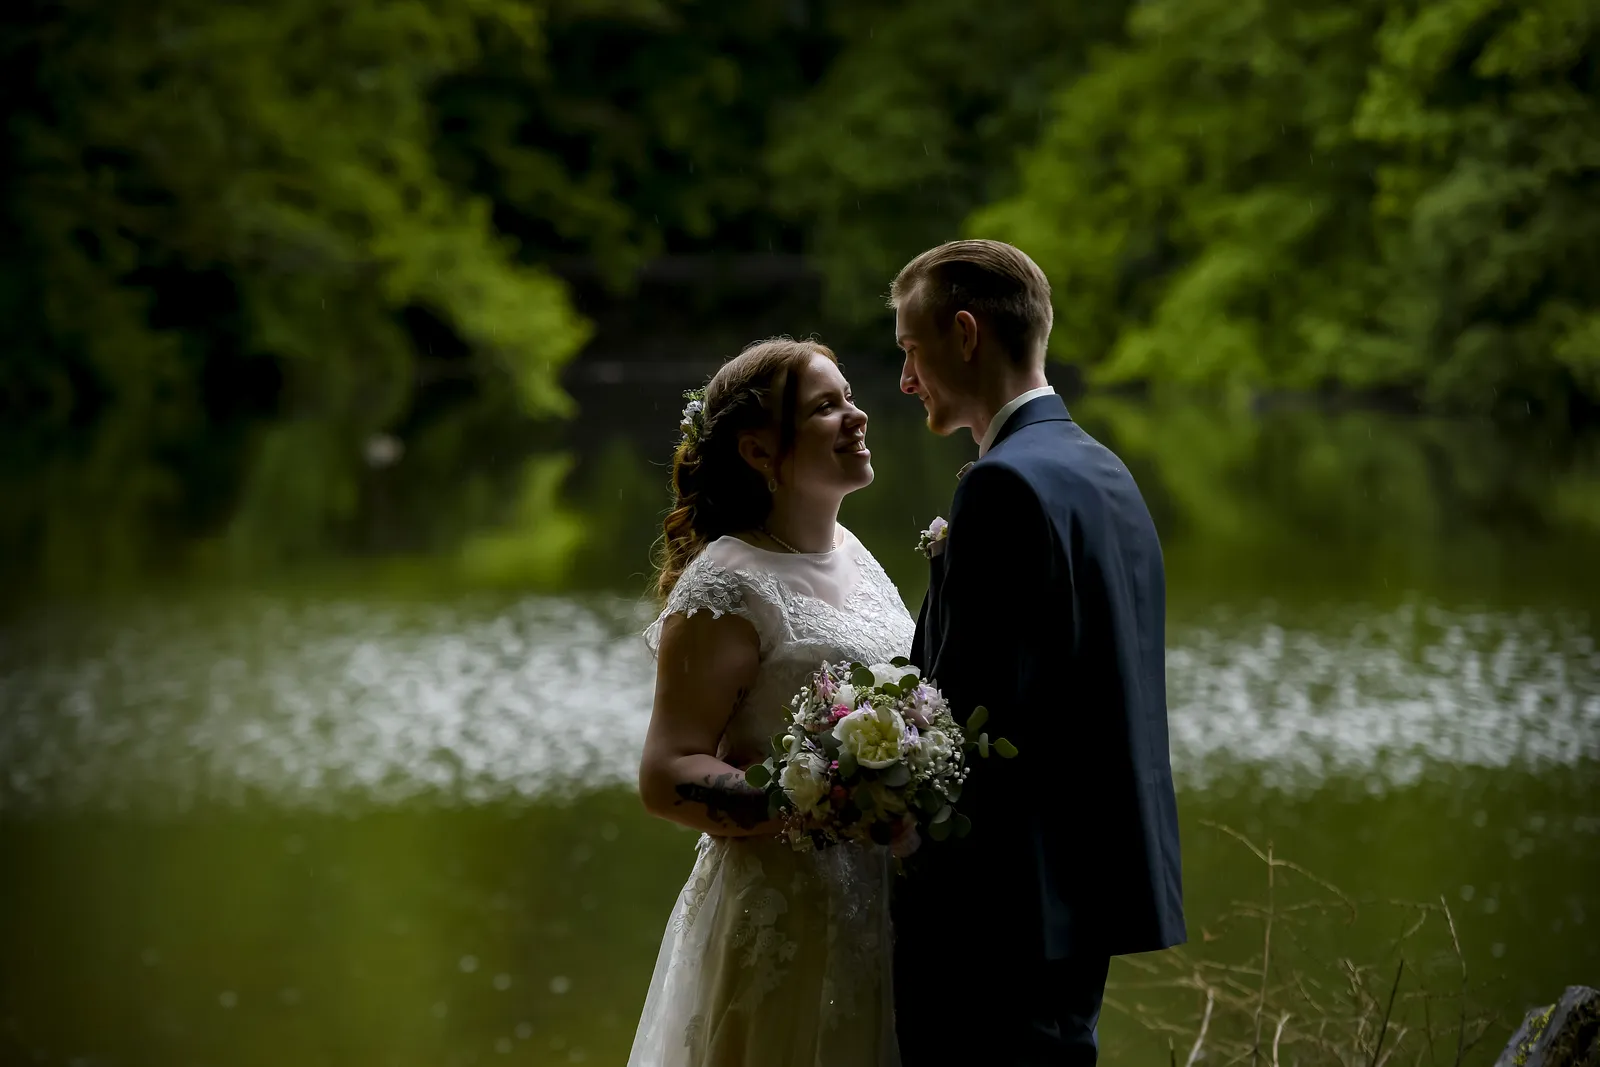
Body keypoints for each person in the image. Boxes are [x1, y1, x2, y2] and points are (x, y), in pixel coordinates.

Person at [890, 240, 1187, 1066]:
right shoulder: (1103, 471)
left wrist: (896, 826)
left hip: (997, 913)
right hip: (1080, 894)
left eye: (913, 351)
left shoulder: (1002, 485)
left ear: (965, 334)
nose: (907, 380)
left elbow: (972, 716)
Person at [628, 337, 915, 1067]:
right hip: (785, 917)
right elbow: (666, 774)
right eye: (827, 407)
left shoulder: (855, 552)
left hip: (882, 908)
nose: (857, 416)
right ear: (759, 451)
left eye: (849, 397)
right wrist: (811, 798)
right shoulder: (727, 582)